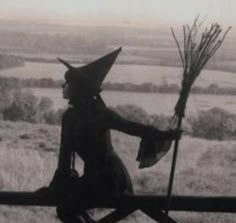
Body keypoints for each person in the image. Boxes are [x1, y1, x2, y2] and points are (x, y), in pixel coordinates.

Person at [47, 48, 181, 223]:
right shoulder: (69, 116)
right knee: (65, 207)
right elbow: (64, 156)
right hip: (91, 179)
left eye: (67, 82)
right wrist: (58, 185)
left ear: (78, 88)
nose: (63, 86)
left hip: (111, 180)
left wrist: (167, 134)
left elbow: (131, 127)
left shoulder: (99, 113)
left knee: (67, 208)